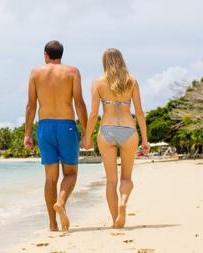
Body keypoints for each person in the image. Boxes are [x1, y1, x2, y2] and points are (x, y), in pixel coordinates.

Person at [81, 48, 149, 229]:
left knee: (111, 180)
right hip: (128, 130)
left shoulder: (97, 82)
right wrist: (145, 139)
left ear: (104, 62)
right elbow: (140, 113)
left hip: (107, 131)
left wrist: (87, 137)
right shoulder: (131, 81)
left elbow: (94, 113)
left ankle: (115, 221)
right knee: (126, 178)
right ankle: (123, 202)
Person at [24, 40, 88, 232]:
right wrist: (87, 132)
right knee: (70, 173)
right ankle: (61, 202)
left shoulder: (35, 73)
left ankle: (52, 224)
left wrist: (27, 133)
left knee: (50, 178)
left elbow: (31, 105)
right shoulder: (72, 72)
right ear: (62, 54)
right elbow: (79, 103)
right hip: (66, 126)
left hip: (44, 127)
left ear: (45, 54)